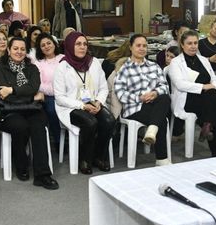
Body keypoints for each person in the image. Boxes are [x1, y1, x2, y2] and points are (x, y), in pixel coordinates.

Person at [0, 37, 59, 189]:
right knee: (20, 126)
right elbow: (4, 96)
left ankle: (43, 175)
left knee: (38, 126)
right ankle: (21, 164)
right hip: (9, 112)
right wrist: (31, 97)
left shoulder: (32, 68)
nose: (19, 52)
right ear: (8, 50)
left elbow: (33, 86)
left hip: (32, 110)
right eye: (15, 48)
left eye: (22, 49)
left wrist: (12, 89)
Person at [54, 32, 115, 174]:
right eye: (78, 44)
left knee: (109, 120)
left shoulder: (94, 63)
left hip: (93, 103)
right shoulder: (62, 67)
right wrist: (82, 105)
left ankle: (99, 157)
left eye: (85, 44)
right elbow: (60, 97)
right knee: (90, 122)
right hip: (70, 106)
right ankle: (85, 159)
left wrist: (99, 102)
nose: (82, 47)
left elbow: (103, 88)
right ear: (69, 46)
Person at [169, 30, 216, 156]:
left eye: (195, 43)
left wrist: (213, 87)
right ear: (182, 44)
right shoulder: (176, 62)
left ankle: (208, 125)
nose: (193, 46)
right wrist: (204, 87)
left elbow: (214, 78)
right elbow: (180, 84)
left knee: (211, 95)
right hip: (187, 99)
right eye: (189, 43)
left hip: (206, 98)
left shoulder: (204, 60)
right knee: (212, 104)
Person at [114, 34, 171, 165]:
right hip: (134, 108)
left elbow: (164, 86)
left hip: (155, 103)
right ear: (131, 47)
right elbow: (120, 93)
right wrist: (139, 98)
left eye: (144, 46)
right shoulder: (124, 69)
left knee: (165, 97)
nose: (142, 48)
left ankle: (152, 130)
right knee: (161, 119)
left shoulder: (154, 66)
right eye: (138, 45)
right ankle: (161, 159)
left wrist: (155, 93)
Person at [33, 33, 64, 144]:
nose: (47, 46)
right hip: (49, 96)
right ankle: (59, 141)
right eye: (43, 45)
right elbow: (39, 84)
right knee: (52, 110)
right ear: (40, 49)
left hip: (68, 94)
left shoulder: (64, 59)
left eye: (49, 43)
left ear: (54, 44)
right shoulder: (38, 64)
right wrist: (56, 90)